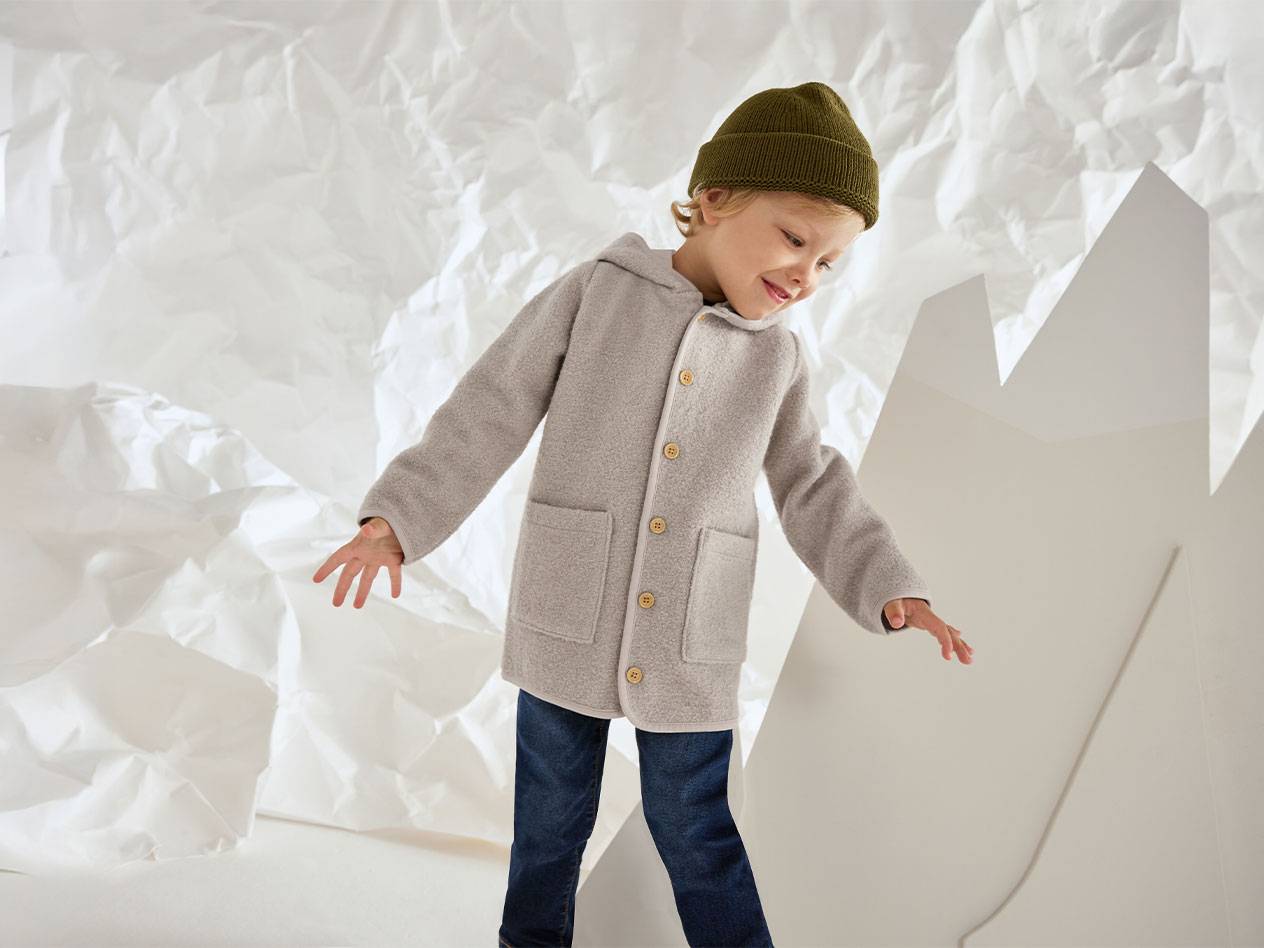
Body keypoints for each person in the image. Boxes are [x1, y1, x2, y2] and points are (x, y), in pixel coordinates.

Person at [313, 81, 973, 947]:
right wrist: (396, 520)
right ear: (712, 200)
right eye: (794, 239)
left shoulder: (776, 359)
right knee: (548, 831)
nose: (805, 277)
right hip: (567, 617)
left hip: (687, 641)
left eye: (829, 263)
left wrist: (887, 584)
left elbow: (812, 480)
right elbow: (492, 409)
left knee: (698, 834)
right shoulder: (596, 294)